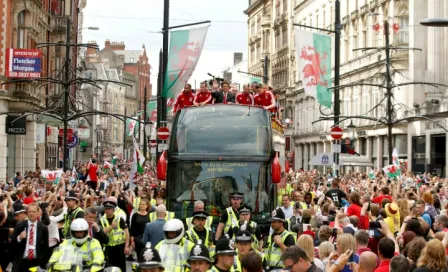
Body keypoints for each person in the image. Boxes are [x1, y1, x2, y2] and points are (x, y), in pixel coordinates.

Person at [11, 203, 49, 272]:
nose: (31, 214)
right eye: (29, 212)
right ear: (27, 213)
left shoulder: (43, 228)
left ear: (38, 213)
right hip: (22, 262)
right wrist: (19, 238)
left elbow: (45, 247)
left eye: (33, 211)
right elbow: (12, 244)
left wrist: (42, 262)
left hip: (36, 262)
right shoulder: (20, 225)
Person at [100, 198, 130, 272]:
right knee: (109, 268)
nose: (107, 210)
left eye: (109, 208)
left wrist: (126, 246)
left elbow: (127, 232)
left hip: (119, 247)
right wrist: (111, 227)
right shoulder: (102, 220)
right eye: (106, 209)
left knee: (121, 268)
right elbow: (101, 232)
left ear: (113, 209)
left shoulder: (119, 219)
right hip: (108, 248)